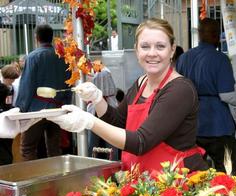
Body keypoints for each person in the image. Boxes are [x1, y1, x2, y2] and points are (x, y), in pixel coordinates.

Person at [47, 18, 208, 173]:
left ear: (172, 50)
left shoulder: (180, 90)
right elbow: (118, 122)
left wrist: (89, 122)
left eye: (160, 46)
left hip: (178, 183)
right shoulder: (141, 83)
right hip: (145, 180)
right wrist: (97, 99)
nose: (152, 53)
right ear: (137, 50)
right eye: (145, 46)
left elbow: (140, 142)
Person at [176, 18, 236, 175]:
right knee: (227, 174)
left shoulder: (183, 58)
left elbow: (176, 91)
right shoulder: (220, 59)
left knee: (194, 176)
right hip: (218, 126)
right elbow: (227, 95)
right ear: (216, 36)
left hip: (191, 125)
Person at [15, 24, 72, 161]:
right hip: (58, 108)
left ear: (36, 38)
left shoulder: (33, 57)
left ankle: (33, 180)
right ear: (52, 38)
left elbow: (27, 85)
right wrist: (66, 104)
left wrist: (21, 108)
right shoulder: (63, 57)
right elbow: (69, 83)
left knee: (28, 148)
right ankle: (56, 181)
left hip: (36, 109)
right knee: (54, 149)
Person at [87, 66, 120, 160]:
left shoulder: (110, 100)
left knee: (108, 142)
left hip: (96, 113)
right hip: (97, 112)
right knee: (109, 143)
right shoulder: (112, 100)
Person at [0, 64, 20, 165]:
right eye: (11, 79)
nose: (12, 82)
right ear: (5, 77)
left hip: (8, 118)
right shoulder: (2, 88)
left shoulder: (13, 87)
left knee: (8, 148)